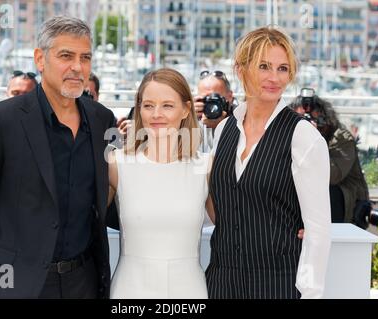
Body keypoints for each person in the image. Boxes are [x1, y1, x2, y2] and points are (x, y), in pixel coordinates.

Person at [0, 16, 115, 299]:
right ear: (40, 59)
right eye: (66, 56)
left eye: (85, 57)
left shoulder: (102, 119)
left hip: (85, 283)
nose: (77, 67)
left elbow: (104, 200)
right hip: (15, 285)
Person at [206, 26, 331, 299]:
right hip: (221, 282)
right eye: (264, 66)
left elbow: (318, 232)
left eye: (283, 68)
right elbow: (220, 207)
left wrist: (309, 294)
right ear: (241, 70)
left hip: (277, 285)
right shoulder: (224, 129)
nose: (274, 78)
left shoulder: (303, 136)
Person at [107, 68, 211, 298]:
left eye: (167, 105)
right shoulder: (116, 165)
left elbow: (236, 226)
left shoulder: (205, 167)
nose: (156, 114)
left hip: (188, 293)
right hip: (130, 292)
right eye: (148, 105)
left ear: (185, 109)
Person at [289, 94, 369, 224]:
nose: (305, 124)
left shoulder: (341, 138)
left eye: (310, 119)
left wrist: (312, 139)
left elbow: (332, 176)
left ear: (323, 117)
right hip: (313, 197)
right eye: (300, 119)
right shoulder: (291, 137)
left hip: (346, 200)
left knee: (324, 191)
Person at [194, 70, 234, 152]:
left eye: (216, 98)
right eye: (206, 99)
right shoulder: (190, 121)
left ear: (229, 97)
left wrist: (224, 127)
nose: (212, 105)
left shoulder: (241, 119)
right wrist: (189, 117)